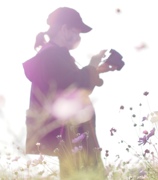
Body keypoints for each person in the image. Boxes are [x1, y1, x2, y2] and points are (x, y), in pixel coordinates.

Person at [23, 7, 117, 179]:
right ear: (64, 29)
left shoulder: (55, 55)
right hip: (72, 136)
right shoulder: (51, 56)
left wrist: (96, 70)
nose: (79, 37)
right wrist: (92, 65)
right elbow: (72, 87)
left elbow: (72, 83)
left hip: (73, 136)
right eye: (77, 31)